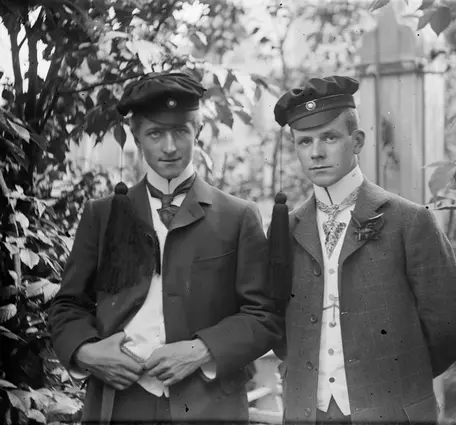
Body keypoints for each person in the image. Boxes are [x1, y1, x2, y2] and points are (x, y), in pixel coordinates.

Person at [48, 71, 283, 424]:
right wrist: (87, 352)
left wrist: (201, 350)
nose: (169, 147)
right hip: (120, 402)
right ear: (136, 137)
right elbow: (67, 305)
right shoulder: (102, 214)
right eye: (155, 133)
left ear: (197, 132)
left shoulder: (237, 216)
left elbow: (264, 315)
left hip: (208, 405)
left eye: (180, 132)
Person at [271, 75, 456, 424]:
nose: (316, 152)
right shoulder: (286, 229)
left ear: (357, 141)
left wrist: (399, 379)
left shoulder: (410, 221)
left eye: (329, 137)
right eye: (305, 141)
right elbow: (275, 322)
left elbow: (453, 324)